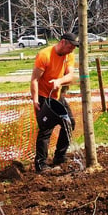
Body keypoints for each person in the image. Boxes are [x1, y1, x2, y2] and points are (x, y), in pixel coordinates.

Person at [30, 32, 79, 172]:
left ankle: (59, 156)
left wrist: (59, 81)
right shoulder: (44, 55)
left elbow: (70, 75)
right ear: (63, 42)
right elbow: (35, 80)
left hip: (57, 95)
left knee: (69, 123)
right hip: (43, 96)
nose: (72, 49)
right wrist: (35, 100)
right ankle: (41, 164)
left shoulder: (69, 55)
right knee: (46, 129)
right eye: (71, 46)